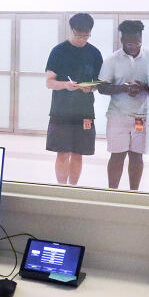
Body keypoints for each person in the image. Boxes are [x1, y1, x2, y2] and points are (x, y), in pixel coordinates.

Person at [97, 20, 149, 190]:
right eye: (128, 43)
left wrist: (145, 87)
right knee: (117, 156)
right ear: (122, 40)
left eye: (136, 42)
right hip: (118, 116)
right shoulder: (112, 60)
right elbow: (102, 88)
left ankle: (134, 192)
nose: (133, 46)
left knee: (137, 156)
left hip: (141, 117)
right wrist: (123, 88)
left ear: (141, 38)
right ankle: (113, 191)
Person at [45, 13, 103, 185]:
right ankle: (61, 188)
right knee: (62, 152)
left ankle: (73, 188)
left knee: (79, 153)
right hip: (61, 111)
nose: (82, 39)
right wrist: (66, 85)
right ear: (71, 30)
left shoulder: (94, 53)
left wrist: (91, 87)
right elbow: (49, 82)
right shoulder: (59, 51)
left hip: (84, 110)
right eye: (79, 35)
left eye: (86, 36)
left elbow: (99, 82)